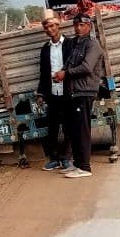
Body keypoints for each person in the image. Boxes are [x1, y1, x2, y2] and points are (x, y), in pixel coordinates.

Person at [52, 13, 104, 179]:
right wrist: (61, 73)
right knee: (73, 130)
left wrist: (65, 74)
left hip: (85, 92)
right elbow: (69, 63)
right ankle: (77, 163)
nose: (78, 28)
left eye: (82, 25)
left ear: (89, 26)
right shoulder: (75, 43)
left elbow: (87, 67)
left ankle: (85, 167)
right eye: (76, 25)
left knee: (82, 130)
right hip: (74, 92)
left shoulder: (93, 44)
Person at [35, 17, 74, 171]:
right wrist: (41, 93)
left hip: (68, 92)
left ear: (59, 26)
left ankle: (66, 158)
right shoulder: (45, 48)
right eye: (46, 27)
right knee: (52, 128)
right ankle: (54, 158)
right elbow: (43, 73)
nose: (49, 30)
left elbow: (74, 66)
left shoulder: (70, 44)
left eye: (52, 26)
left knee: (68, 127)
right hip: (52, 94)